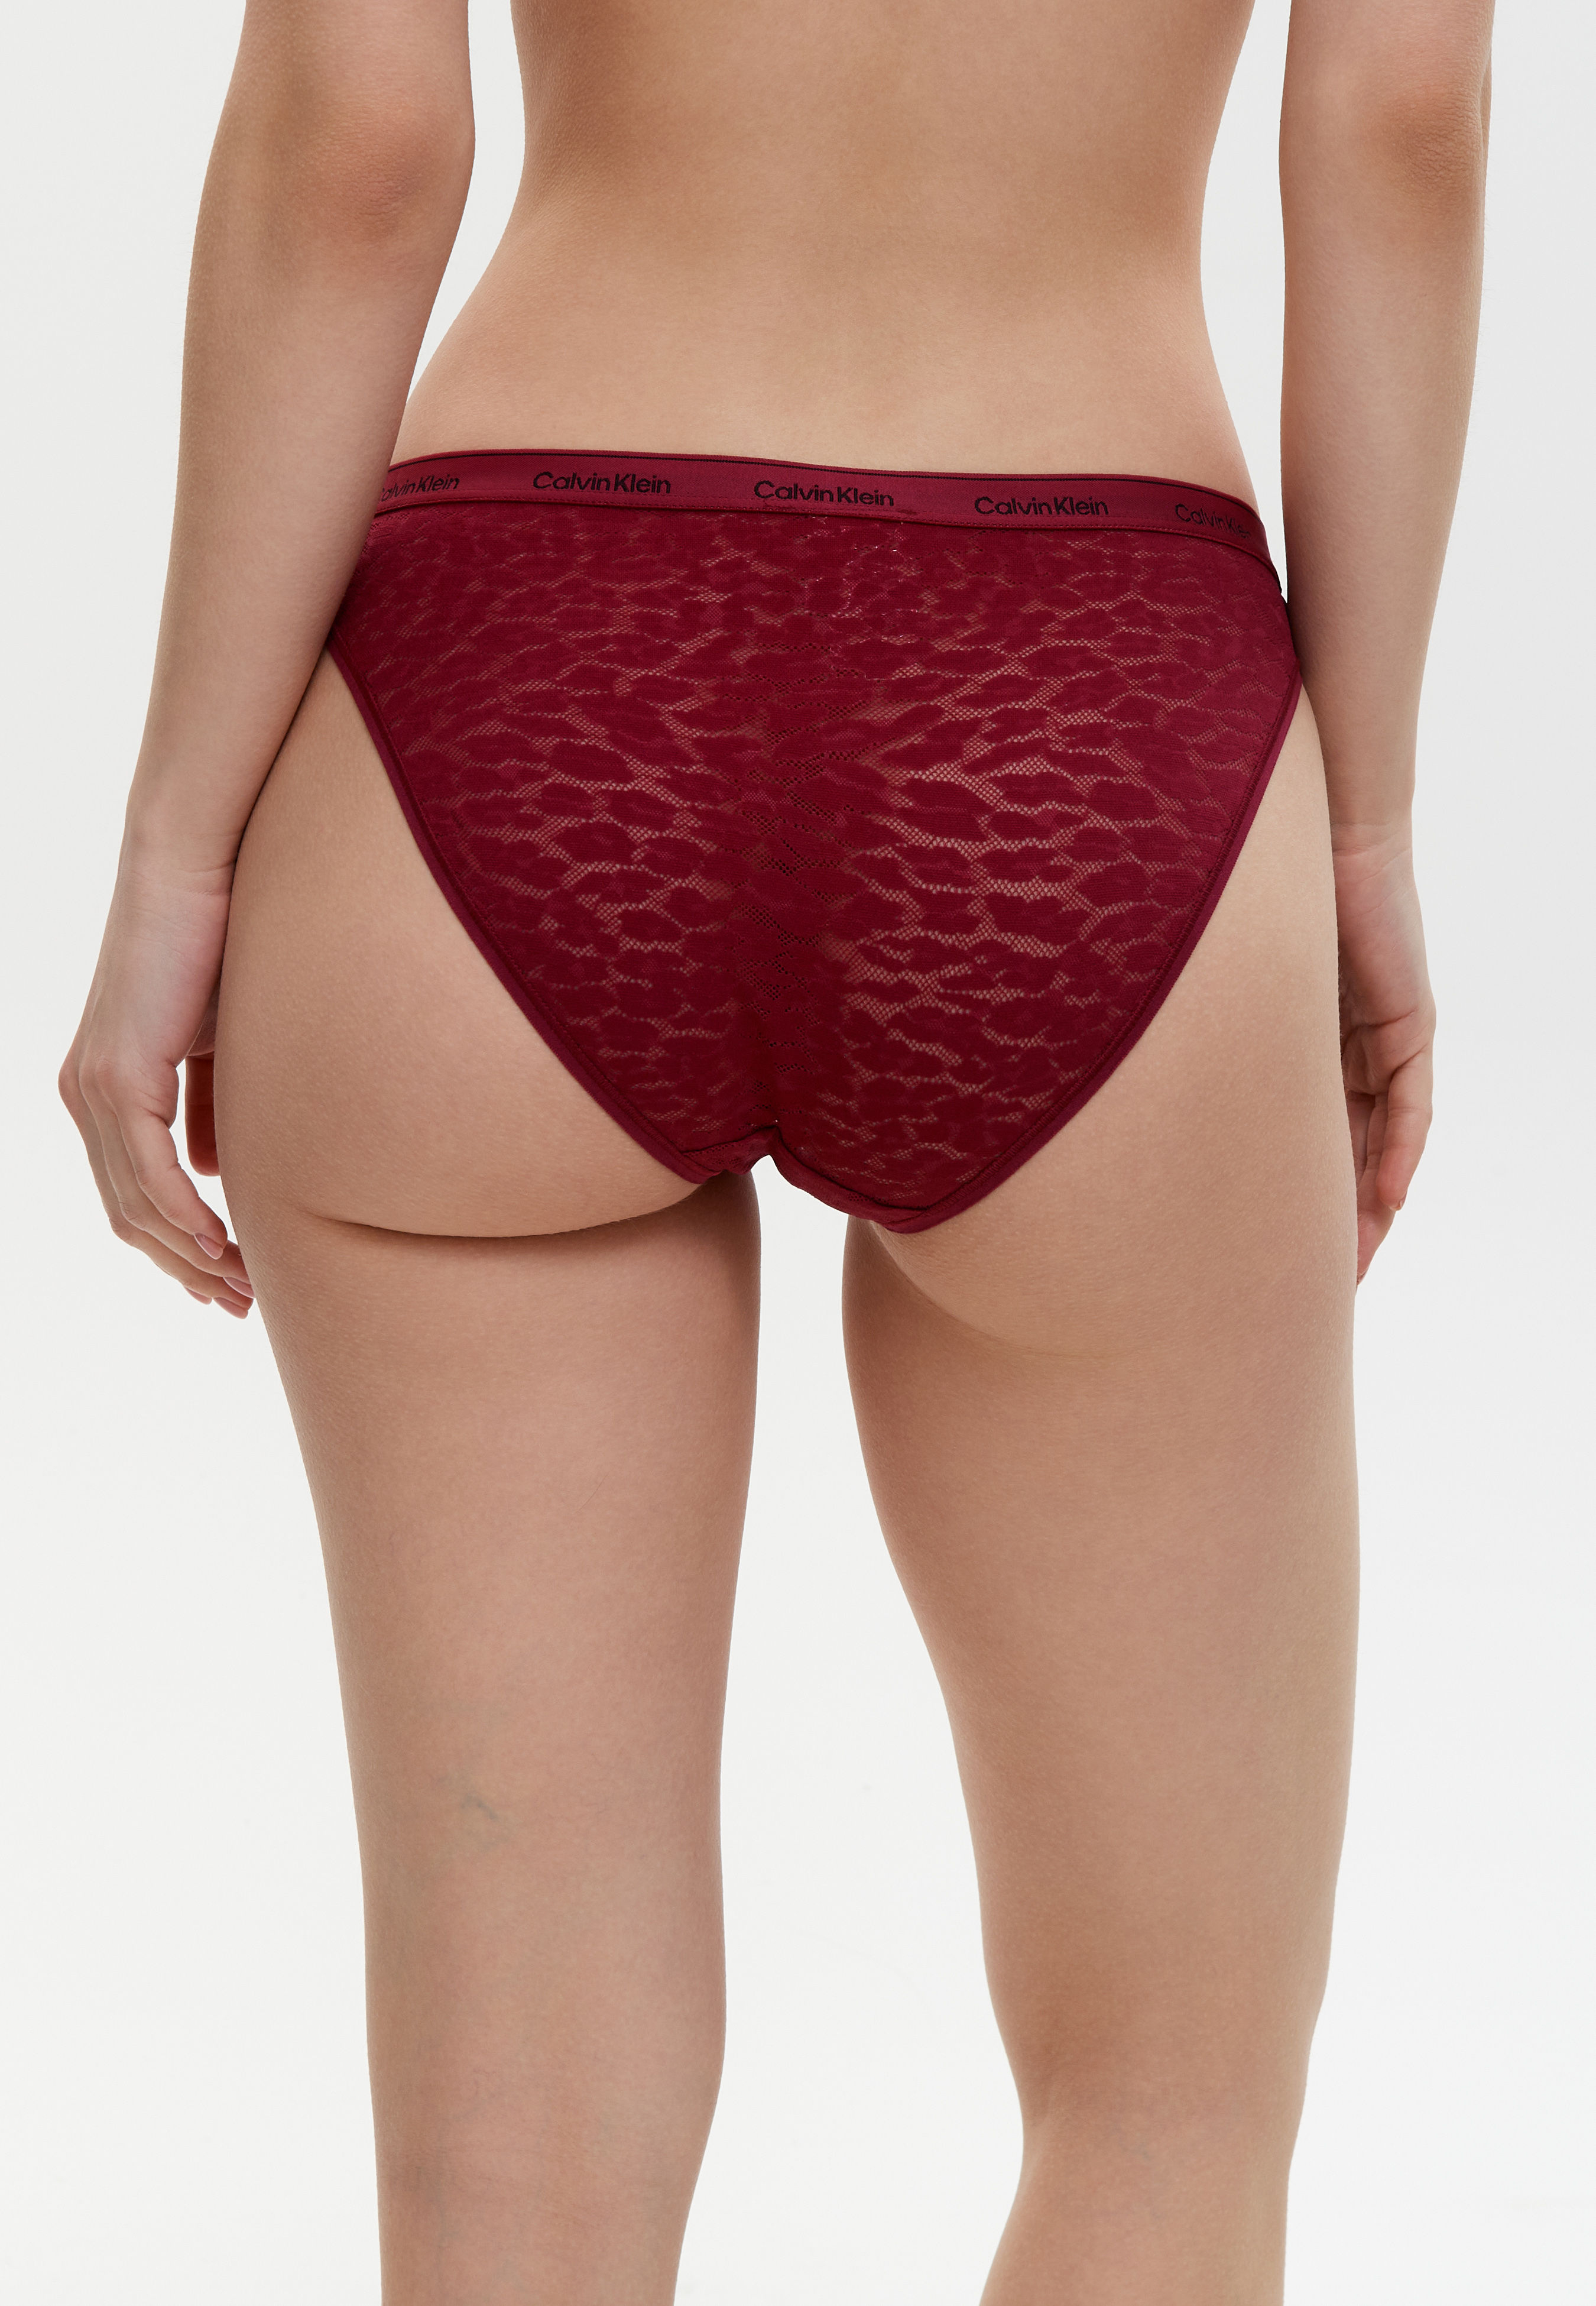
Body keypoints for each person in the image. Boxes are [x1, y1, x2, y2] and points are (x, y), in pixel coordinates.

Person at [59, 0, 1491, 2295]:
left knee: (517, 2143)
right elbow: (1403, 120)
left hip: (515, 677)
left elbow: (355, 141)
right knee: (1166, 2093)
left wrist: (174, 856)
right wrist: (1367, 824)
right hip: (1093, 688)